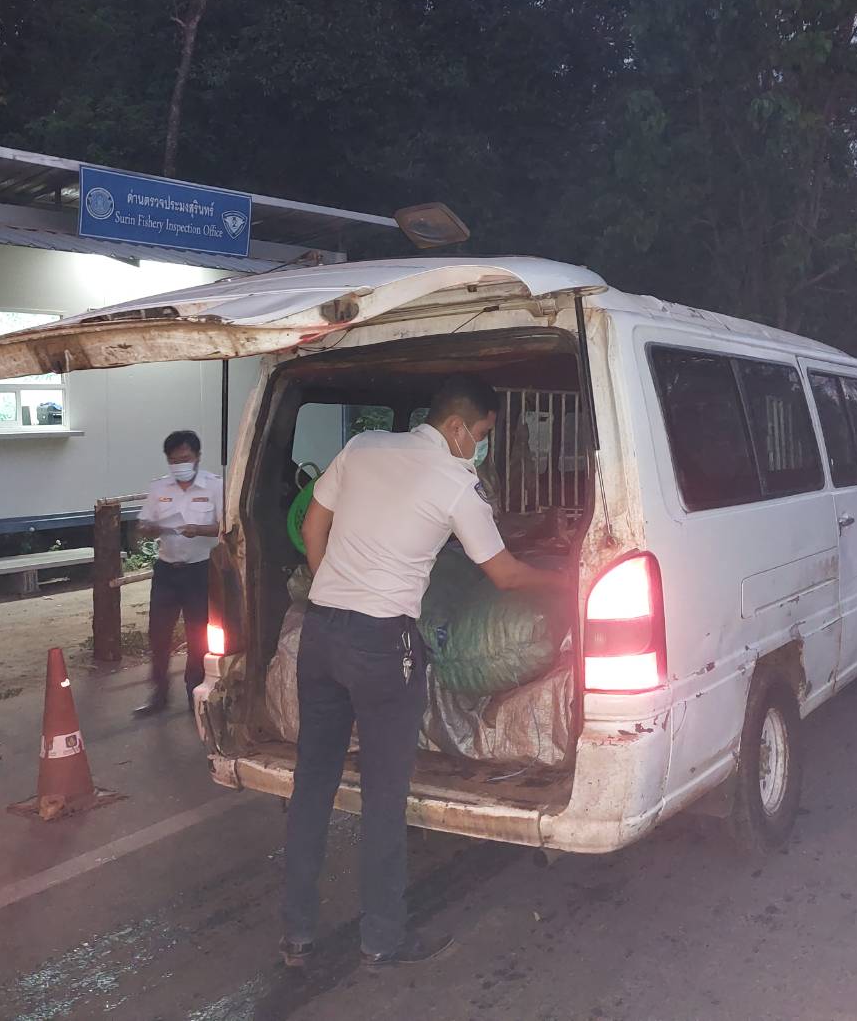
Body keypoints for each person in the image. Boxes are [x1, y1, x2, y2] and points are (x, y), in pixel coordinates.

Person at [280, 375, 565, 969]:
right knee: (384, 794)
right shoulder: (455, 482)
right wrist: (568, 583)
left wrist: (337, 591)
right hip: (383, 645)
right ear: (458, 427)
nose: (480, 446)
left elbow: (311, 528)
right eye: (482, 434)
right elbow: (505, 574)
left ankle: (297, 933)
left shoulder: (362, 447)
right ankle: (383, 937)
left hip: (322, 633)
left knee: (313, 781)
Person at [133, 430, 221, 716]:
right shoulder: (160, 487)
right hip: (166, 570)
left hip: (200, 570)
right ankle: (158, 694)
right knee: (158, 634)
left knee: (199, 635)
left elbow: (225, 526)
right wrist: (149, 528)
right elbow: (144, 523)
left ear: (197, 457)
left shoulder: (214, 486)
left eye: (185, 458)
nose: (179, 465)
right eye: (173, 460)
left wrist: (199, 529)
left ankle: (194, 693)